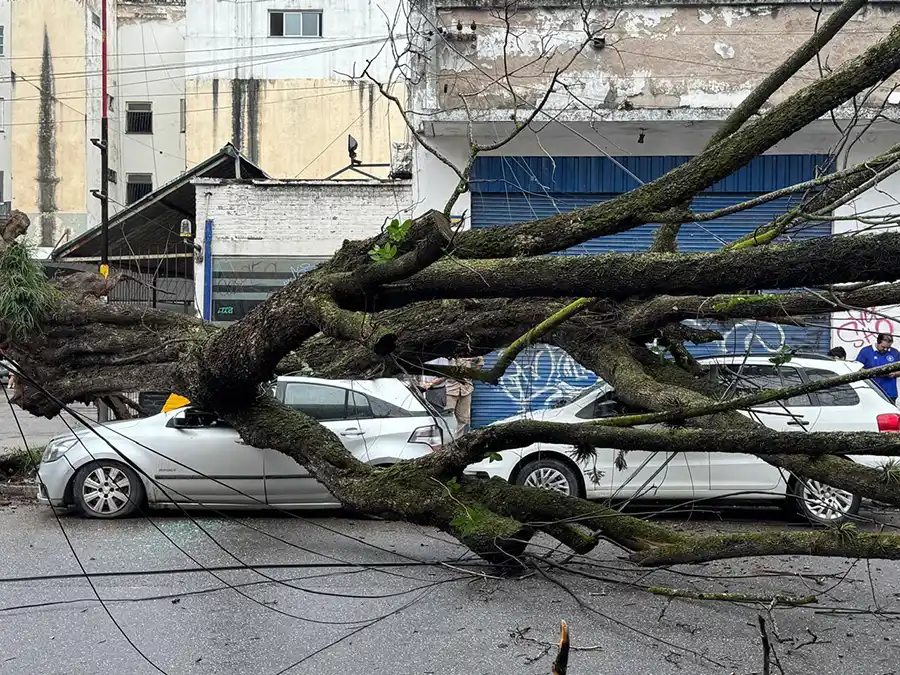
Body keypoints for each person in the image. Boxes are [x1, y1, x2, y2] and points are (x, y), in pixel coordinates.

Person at [425, 356, 484, 433]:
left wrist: (473, 371)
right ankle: (448, 439)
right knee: (448, 417)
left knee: (463, 419)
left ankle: (458, 440)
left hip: (466, 390)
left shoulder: (470, 353)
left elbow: (480, 361)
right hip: (450, 390)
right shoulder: (450, 354)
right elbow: (444, 374)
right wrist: (431, 383)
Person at [856, 333, 900, 404]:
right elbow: (857, 368)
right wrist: (872, 373)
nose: (885, 349)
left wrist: (895, 374)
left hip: (889, 392)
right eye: (883, 347)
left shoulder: (895, 353)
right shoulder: (866, 351)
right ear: (878, 342)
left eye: (888, 347)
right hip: (871, 392)